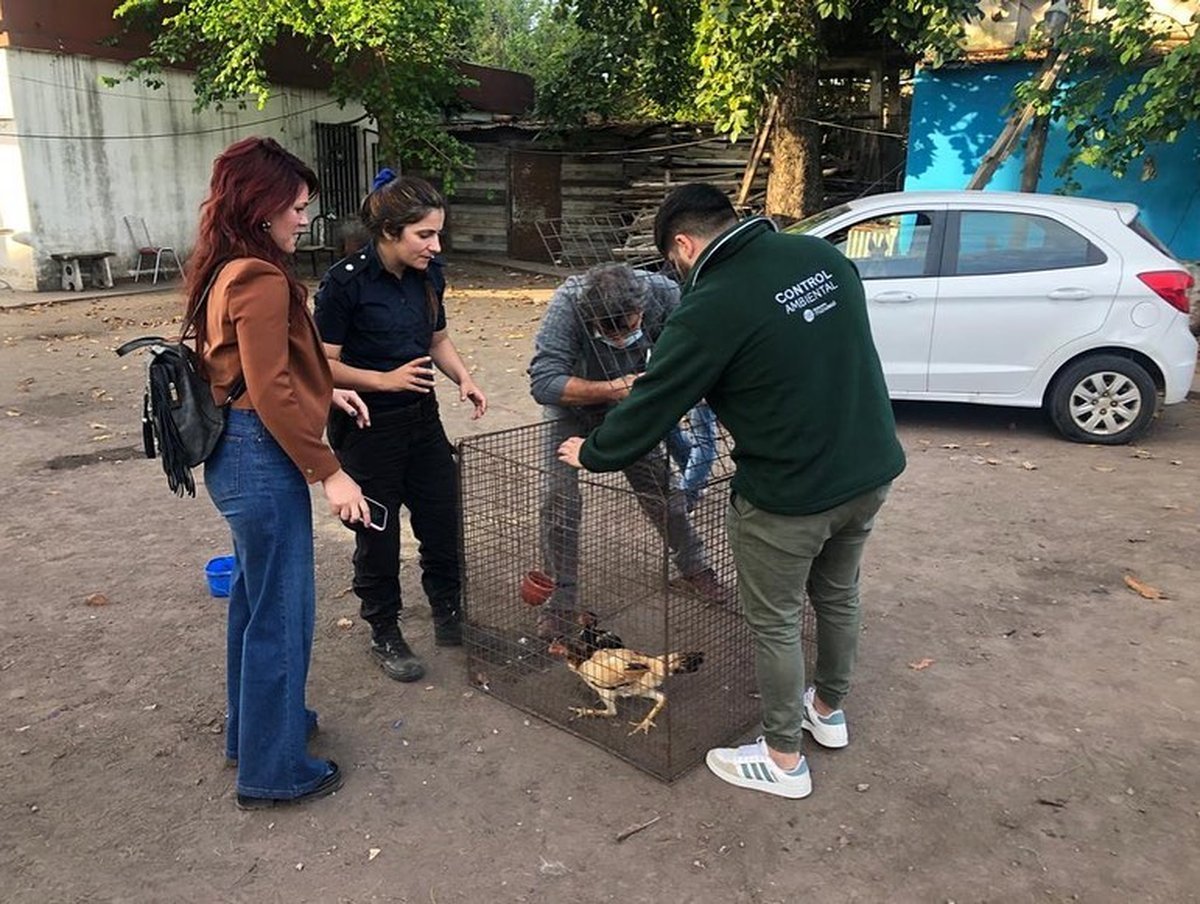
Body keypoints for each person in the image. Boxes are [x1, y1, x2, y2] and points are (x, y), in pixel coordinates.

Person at [557, 184, 906, 799]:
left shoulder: (713, 303)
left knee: (775, 621)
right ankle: (827, 710)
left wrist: (593, 451)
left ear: (684, 244)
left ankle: (782, 758)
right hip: (869, 467)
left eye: (673, 260)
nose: (677, 272)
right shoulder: (820, 256)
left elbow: (655, 399)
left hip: (790, 492)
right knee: (837, 593)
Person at [195, 136, 371, 809]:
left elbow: (255, 368)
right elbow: (267, 388)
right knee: (282, 615)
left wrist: (328, 390)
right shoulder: (261, 279)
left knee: (255, 602)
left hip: (239, 453)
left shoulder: (227, 269)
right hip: (259, 457)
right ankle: (274, 771)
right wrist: (330, 472)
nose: (303, 218)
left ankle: (257, 733)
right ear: (260, 207)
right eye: (295, 207)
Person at [314, 170, 487, 683]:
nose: (436, 246)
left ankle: (448, 613)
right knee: (379, 532)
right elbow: (321, 365)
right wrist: (383, 380)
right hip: (366, 426)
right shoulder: (345, 283)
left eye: (438, 234)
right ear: (390, 231)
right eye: (424, 235)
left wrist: (463, 378)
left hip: (422, 419)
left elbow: (437, 340)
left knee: (442, 518)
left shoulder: (429, 275)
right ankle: (384, 629)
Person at [528, 262, 730, 640]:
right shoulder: (569, 302)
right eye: (609, 331)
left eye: (628, 327)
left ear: (640, 308)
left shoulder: (663, 293)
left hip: (630, 408)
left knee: (660, 488)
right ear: (591, 317)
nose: (621, 338)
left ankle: (695, 566)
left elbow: (693, 351)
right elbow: (544, 382)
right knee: (558, 497)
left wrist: (661, 392)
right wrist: (614, 388)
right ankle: (561, 600)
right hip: (572, 407)